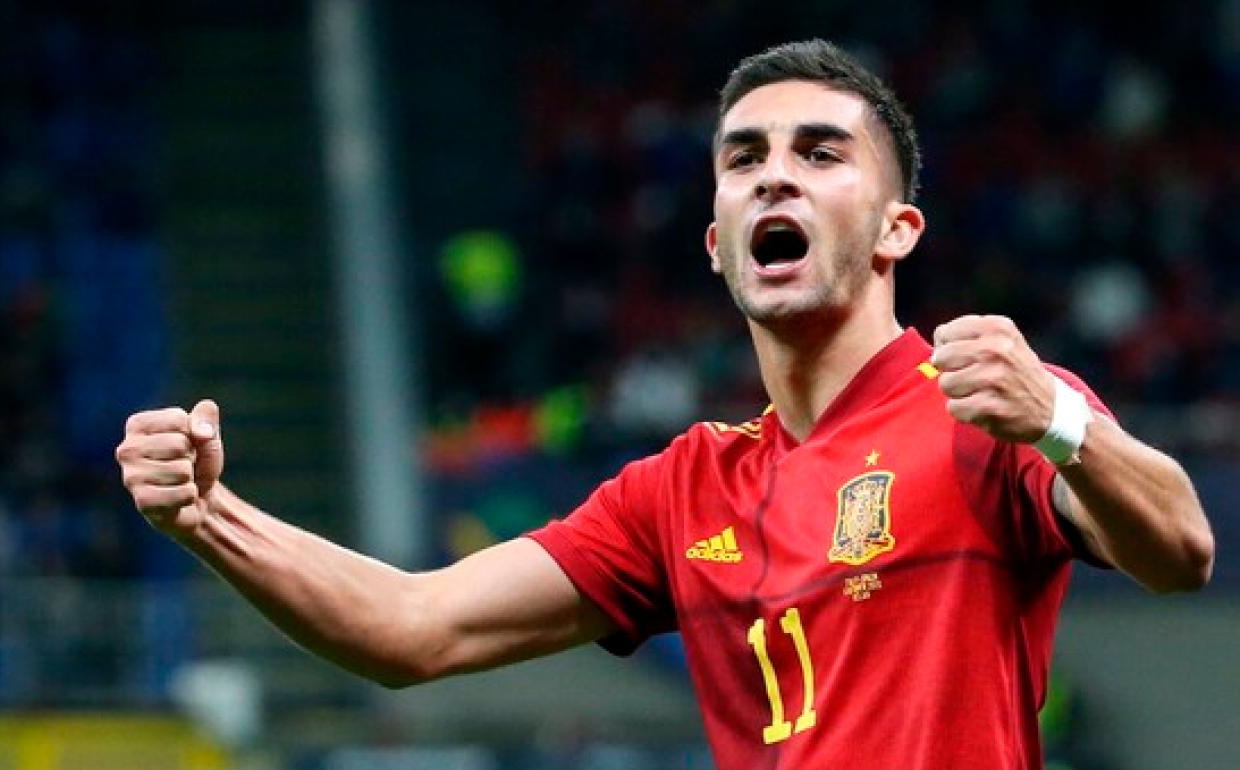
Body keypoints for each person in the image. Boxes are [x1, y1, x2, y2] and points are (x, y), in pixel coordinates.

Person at [116, 39, 1214, 770]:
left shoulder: (988, 404)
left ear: (896, 232)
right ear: (717, 242)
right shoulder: (683, 489)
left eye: (820, 153)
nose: (773, 177)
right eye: (744, 160)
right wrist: (209, 517)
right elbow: (414, 626)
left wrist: (1064, 427)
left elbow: (1182, 548)